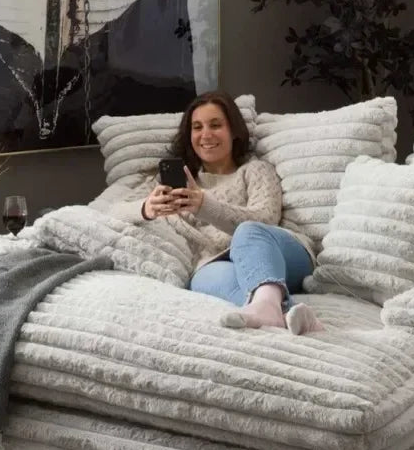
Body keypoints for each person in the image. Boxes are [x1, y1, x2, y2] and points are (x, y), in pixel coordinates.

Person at [106, 91, 323, 335]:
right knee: (202, 280)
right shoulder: (170, 181)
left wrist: (204, 206)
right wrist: (146, 208)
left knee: (247, 231)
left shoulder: (255, 170)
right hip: (215, 260)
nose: (205, 135)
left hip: (275, 252)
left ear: (234, 131)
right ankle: (286, 313)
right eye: (197, 127)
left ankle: (270, 306)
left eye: (216, 125)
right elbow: (110, 211)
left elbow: (265, 219)